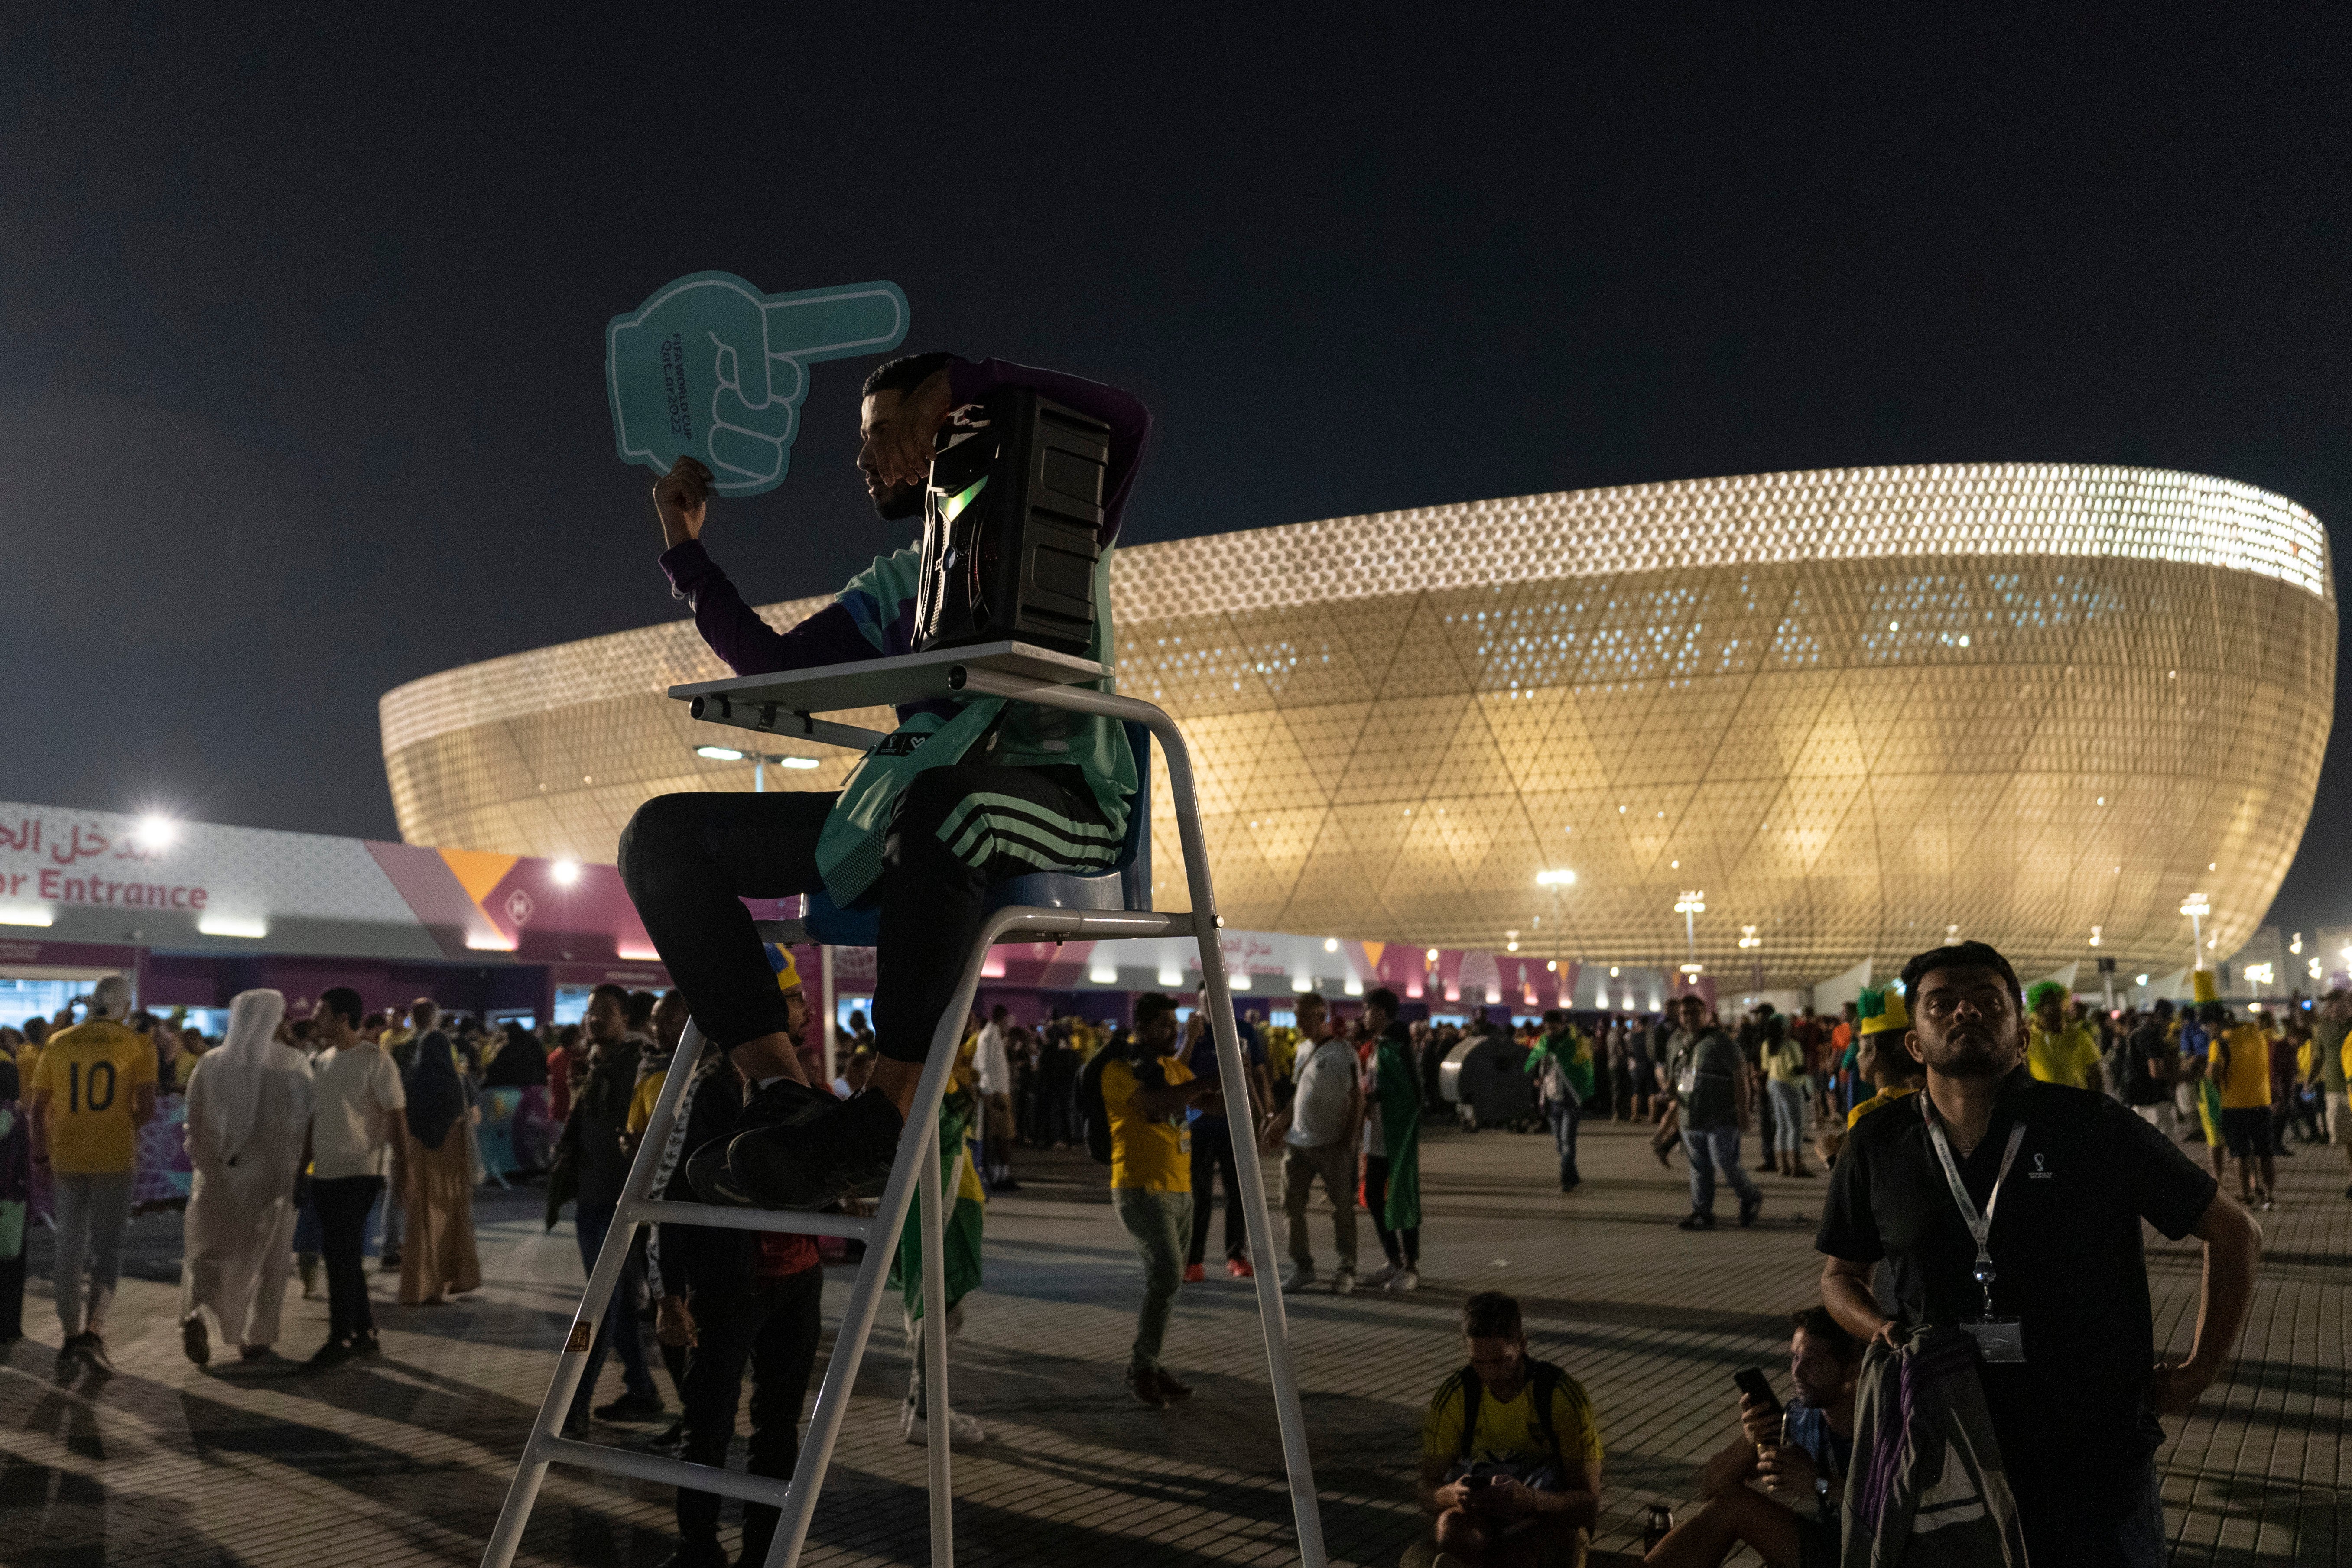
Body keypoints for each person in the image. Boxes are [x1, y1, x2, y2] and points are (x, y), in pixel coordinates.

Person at [616, 352, 1150, 1215]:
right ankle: (781, 1091)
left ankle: (880, 1119)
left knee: (946, 807)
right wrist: (685, 548)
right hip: (920, 805)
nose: (865, 460)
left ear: (945, 427)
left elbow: (1126, 418)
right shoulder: (902, 585)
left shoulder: (1062, 529)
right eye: (864, 442)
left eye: (886, 435)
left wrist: (963, 381)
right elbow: (772, 666)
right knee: (662, 839)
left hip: (1062, 797)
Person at [1818, 940, 2261, 1566]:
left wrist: (2199, 1370)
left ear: (2021, 1034)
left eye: (1987, 1000)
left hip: (2091, 1444)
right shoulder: (1878, 1143)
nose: (1965, 1011)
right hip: (1948, 1440)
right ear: (1914, 1043)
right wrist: (1885, 1329)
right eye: (1941, 1002)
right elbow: (1839, 1276)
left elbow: (2235, 1231)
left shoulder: (2090, 1125)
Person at [642, 962, 825, 1568]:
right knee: (709, 1423)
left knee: (779, 1425)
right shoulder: (714, 1087)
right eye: (796, 1000)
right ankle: (698, 1546)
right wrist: (668, 1291)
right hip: (729, 1281)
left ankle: (764, 1550)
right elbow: (672, 1189)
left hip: (796, 1276)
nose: (806, 1010)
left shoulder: (805, 1083)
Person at [1641, 1308, 1859, 1568]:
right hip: (1832, 1545)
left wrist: (1819, 1482)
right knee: (1734, 1504)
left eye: (1811, 1363)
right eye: (1794, 1358)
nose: (1797, 1373)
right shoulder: (1802, 1418)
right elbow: (1712, 1488)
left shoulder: (1885, 1425)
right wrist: (1749, 1442)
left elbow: (1896, 1512)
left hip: (1882, 1552)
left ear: (1851, 1370)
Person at [1415, 1291, 1604, 1568]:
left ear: (1523, 1345)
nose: (1490, 1375)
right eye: (1479, 1363)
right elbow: (1424, 1486)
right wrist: (1453, 1493)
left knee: (1522, 1556)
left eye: (1500, 1361)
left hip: (1547, 1515)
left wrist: (1530, 1500)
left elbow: (1588, 1503)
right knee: (1451, 1527)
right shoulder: (1458, 1394)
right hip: (1483, 1516)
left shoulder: (1558, 1394)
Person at [548, 982, 663, 1429]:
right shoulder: (595, 1064)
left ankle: (573, 1405)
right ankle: (641, 1388)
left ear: (626, 1019)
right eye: (591, 1012)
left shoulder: (638, 1064)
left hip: (622, 1206)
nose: (595, 1019)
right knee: (613, 1305)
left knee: (596, 1307)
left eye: (606, 1012)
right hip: (593, 1201)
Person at [28, 974, 156, 1375]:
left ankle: (68, 1336)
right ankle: (94, 1331)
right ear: (124, 1005)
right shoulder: (137, 1044)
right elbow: (148, 1107)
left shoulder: (59, 1041)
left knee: (69, 1246)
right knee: (108, 1248)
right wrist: (122, 1124)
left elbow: (36, 1110)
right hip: (114, 1157)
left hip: (67, 1155)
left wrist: (41, 1156)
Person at [179, 989, 313, 1367]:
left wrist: (210, 1167)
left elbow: (195, 1123)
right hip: (275, 1178)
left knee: (210, 1253)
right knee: (270, 1259)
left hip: (220, 1175)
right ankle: (258, 1336)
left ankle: (198, 1313)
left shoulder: (211, 1063)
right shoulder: (292, 1062)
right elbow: (306, 1123)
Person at [1100, 991, 1221, 1405]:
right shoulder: (1118, 1071)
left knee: (1169, 1284)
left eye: (1177, 1022)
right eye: (1166, 1024)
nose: (1175, 1030)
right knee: (1168, 1272)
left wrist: (1245, 1085)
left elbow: (1208, 1104)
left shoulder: (1171, 1067)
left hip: (1180, 1190)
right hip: (1141, 1189)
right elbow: (1156, 1102)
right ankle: (1141, 1366)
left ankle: (1150, 1363)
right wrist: (1203, 1082)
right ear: (1142, 1028)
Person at [303, 985, 406, 1370]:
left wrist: (404, 1172)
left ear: (344, 1018)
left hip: (361, 1170)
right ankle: (363, 1331)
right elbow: (315, 1118)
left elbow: (397, 1116)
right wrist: (304, 1168)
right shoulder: (322, 1060)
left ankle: (340, 1336)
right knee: (343, 1253)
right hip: (326, 1171)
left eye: (321, 1011)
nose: (314, 1018)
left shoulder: (375, 1060)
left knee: (340, 1252)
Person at [1261, 992, 1361, 1295]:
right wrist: (1281, 1123)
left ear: (1321, 1017)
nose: (1298, 1022)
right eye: (1296, 1016)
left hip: (1332, 1144)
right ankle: (1302, 1266)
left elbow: (1358, 1097)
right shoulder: (1303, 1049)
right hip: (1298, 1143)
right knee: (1291, 1205)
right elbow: (1299, 1094)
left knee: (1342, 1208)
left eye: (1304, 1017)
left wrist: (1349, 1139)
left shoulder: (1344, 1053)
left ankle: (1347, 1267)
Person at [398, 1006, 482, 1306]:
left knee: (422, 1222)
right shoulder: (455, 1082)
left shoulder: (413, 1079)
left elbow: (407, 1118)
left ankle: (421, 1285)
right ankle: (455, 1276)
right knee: (452, 1219)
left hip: (422, 1157)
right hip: (451, 1160)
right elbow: (468, 1118)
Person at [1181, 990, 1264, 1283]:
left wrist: (1263, 1111)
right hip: (1200, 1124)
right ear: (1199, 1001)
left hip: (1233, 1123)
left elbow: (1256, 1072)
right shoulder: (1192, 1032)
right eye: (1206, 1000)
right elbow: (1179, 1070)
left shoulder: (1242, 1031)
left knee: (1237, 1191)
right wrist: (1191, 1037)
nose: (1212, 1005)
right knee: (1200, 1194)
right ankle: (1194, 1261)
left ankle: (1236, 1255)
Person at [1665, 995, 1761, 1230]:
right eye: (1685, 1013)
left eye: (1695, 1013)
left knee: (1726, 1163)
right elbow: (1682, 1079)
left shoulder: (1721, 1042)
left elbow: (1740, 1076)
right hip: (1692, 1117)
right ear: (1679, 1017)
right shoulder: (1679, 1042)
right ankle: (1702, 1213)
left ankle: (1749, 1196)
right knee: (1699, 1167)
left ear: (1706, 1014)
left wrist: (1745, 1113)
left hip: (1722, 1115)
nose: (1689, 1018)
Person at [1361, 988, 1423, 1290]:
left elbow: (1412, 1093)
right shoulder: (1378, 1044)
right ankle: (1394, 1259)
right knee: (1374, 1194)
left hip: (1397, 1134)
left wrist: (1375, 1096)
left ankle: (1410, 1264)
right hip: (1377, 1135)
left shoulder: (1399, 1046)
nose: (1364, 1015)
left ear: (1383, 1012)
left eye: (1368, 1009)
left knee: (1403, 1193)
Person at [2208, 1003, 2277, 1211]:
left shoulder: (2220, 1043)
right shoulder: (2257, 1035)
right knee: (2265, 1153)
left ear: (2216, 1023)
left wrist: (2220, 1089)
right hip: (2262, 1102)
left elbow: (2212, 1072)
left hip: (2234, 1105)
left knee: (2241, 1154)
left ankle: (2247, 1196)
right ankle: (2269, 1195)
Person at [1524, 1010, 1592, 1192]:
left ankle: (1566, 1180)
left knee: (1567, 1140)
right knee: (1559, 1144)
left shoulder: (1574, 1042)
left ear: (1562, 1025)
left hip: (1571, 1099)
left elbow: (1584, 1066)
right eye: (1547, 1027)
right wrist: (1537, 1079)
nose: (1550, 1030)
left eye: (1553, 1027)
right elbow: (1538, 1064)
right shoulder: (1545, 1042)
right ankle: (1573, 1174)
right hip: (1553, 1099)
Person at [1760, 1014, 1814, 1178]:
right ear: (1784, 1028)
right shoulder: (1791, 1045)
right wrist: (1807, 1068)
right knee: (1795, 1127)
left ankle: (1783, 1166)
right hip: (1790, 1085)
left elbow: (1765, 1067)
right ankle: (1797, 1166)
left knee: (1782, 1126)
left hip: (1773, 1084)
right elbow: (1795, 1069)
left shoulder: (1767, 1045)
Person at [972, 1005, 1017, 1193]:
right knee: (999, 1138)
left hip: (999, 1092)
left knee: (1003, 1137)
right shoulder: (989, 1036)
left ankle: (1002, 1176)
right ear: (1002, 1018)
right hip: (995, 1094)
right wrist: (992, 1093)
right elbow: (983, 1067)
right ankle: (997, 1177)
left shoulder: (995, 1035)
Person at [2120, 997, 2179, 1140]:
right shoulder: (2151, 1036)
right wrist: (2184, 1076)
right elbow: (2156, 1072)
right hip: (2153, 1102)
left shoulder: (2137, 1033)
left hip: (2138, 1099)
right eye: (2170, 1018)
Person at [2024, 981, 2102, 1090]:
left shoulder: (2079, 1035)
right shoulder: (2027, 1040)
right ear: (2038, 1009)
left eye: (2059, 1003)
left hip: (2077, 1104)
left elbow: (2096, 1075)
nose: (2059, 1009)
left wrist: (2096, 1104)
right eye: (2051, 1004)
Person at [0, 1057, 28, 1342]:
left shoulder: (9, 1115)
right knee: (12, 1263)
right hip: (14, 1199)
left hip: (8, 1197)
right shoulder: (17, 1115)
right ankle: (10, 1326)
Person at [2317, 990, 2352, 1200]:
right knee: (2348, 1138)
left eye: (2332, 1003)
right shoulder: (2324, 1028)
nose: (2328, 1008)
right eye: (2327, 1004)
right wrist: (2310, 1079)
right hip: (2336, 1090)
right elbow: (2318, 1056)